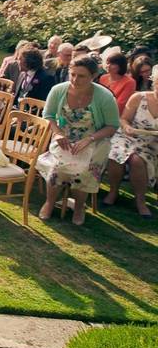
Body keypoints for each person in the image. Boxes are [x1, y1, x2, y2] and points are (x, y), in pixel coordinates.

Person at [36, 56, 120, 225]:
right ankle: (50, 202)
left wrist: (90, 139)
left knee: (83, 170)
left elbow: (112, 126)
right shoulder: (58, 90)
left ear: (93, 76)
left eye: (81, 76)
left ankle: (80, 207)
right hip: (64, 138)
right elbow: (48, 115)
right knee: (56, 167)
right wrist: (58, 133)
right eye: (72, 74)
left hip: (95, 140)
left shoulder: (104, 97)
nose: (75, 80)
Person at [104, 69, 158, 217]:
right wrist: (127, 127)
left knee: (137, 161)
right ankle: (113, 191)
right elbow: (123, 119)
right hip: (127, 136)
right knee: (116, 154)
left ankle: (140, 201)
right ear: (154, 83)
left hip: (151, 143)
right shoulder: (139, 97)